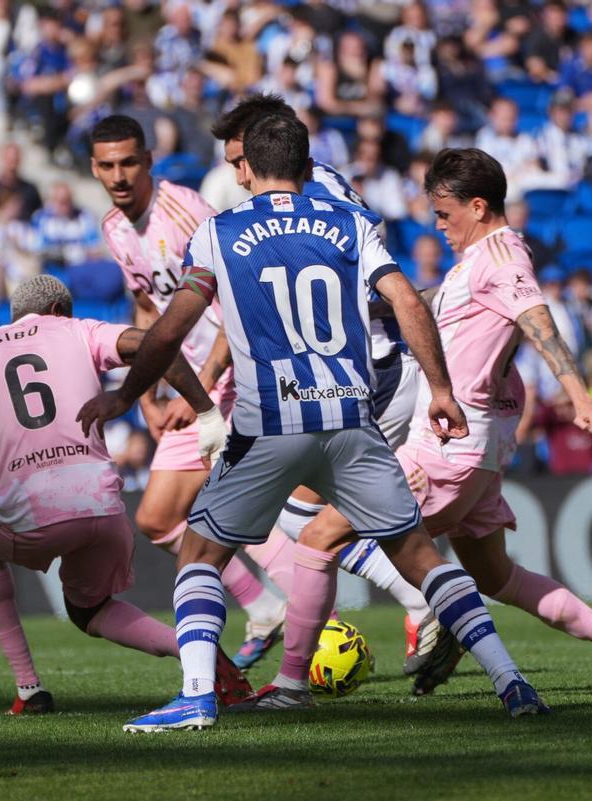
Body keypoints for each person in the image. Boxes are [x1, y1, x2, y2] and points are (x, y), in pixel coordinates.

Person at [78, 115, 545, 732]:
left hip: (269, 422)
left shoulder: (218, 230)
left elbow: (168, 330)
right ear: (306, 167)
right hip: (351, 416)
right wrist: (439, 388)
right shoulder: (350, 221)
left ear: (247, 168)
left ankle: (195, 696)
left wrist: (124, 395)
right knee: (420, 558)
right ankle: (512, 681)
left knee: (198, 553)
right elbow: (407, 300)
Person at [240, 147, 592, 704]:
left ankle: (293, 683)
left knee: (318, 537)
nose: (439, 226)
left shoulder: (502, 258)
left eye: (445, 214)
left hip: (446, 445)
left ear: (478, 206)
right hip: (478, 447)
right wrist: (367, 308)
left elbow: (537, 319)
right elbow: (439, 305)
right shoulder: (481, 261)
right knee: (497, 578)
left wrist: (580, 396)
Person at [210, 95, 447, 675]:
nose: (238, 176)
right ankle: (437, 608)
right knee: (313, 516)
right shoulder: (309, 193)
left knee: (300, 515)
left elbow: (364, 277)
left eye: (241, 161)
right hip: (348, 370)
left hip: (365, 369)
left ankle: (430, 605)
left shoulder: (311, 199)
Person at [0, 274, 251, 715]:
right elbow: (153, 343)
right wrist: (206, 411)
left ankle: (29, 689)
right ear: (59, 312)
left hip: (29, 510)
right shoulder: (80, 330)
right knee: (88, 609)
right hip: (101, 503)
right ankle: (196, 651)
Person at [90, 114, 293, 666]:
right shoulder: (113, 227)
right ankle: (273, 610)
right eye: (107, 166)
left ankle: (312, 622)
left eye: (128, 163)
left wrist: (200, 393)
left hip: (234, 376)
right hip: (191, 387)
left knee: (237, 510)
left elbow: (240, 302)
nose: (118, 175)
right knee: (161, 519)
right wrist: (150, 397)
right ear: (94, 169)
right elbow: (148, 310)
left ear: (148, 161)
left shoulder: (186, 213)